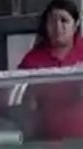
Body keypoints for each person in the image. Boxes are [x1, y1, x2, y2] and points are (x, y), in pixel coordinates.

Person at [18, 0, 83, 140]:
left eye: (64, 21)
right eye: (53, 21)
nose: (58, 27)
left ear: (76, 24)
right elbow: (23, 102)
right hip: (47, 143)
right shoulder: (32, 60)